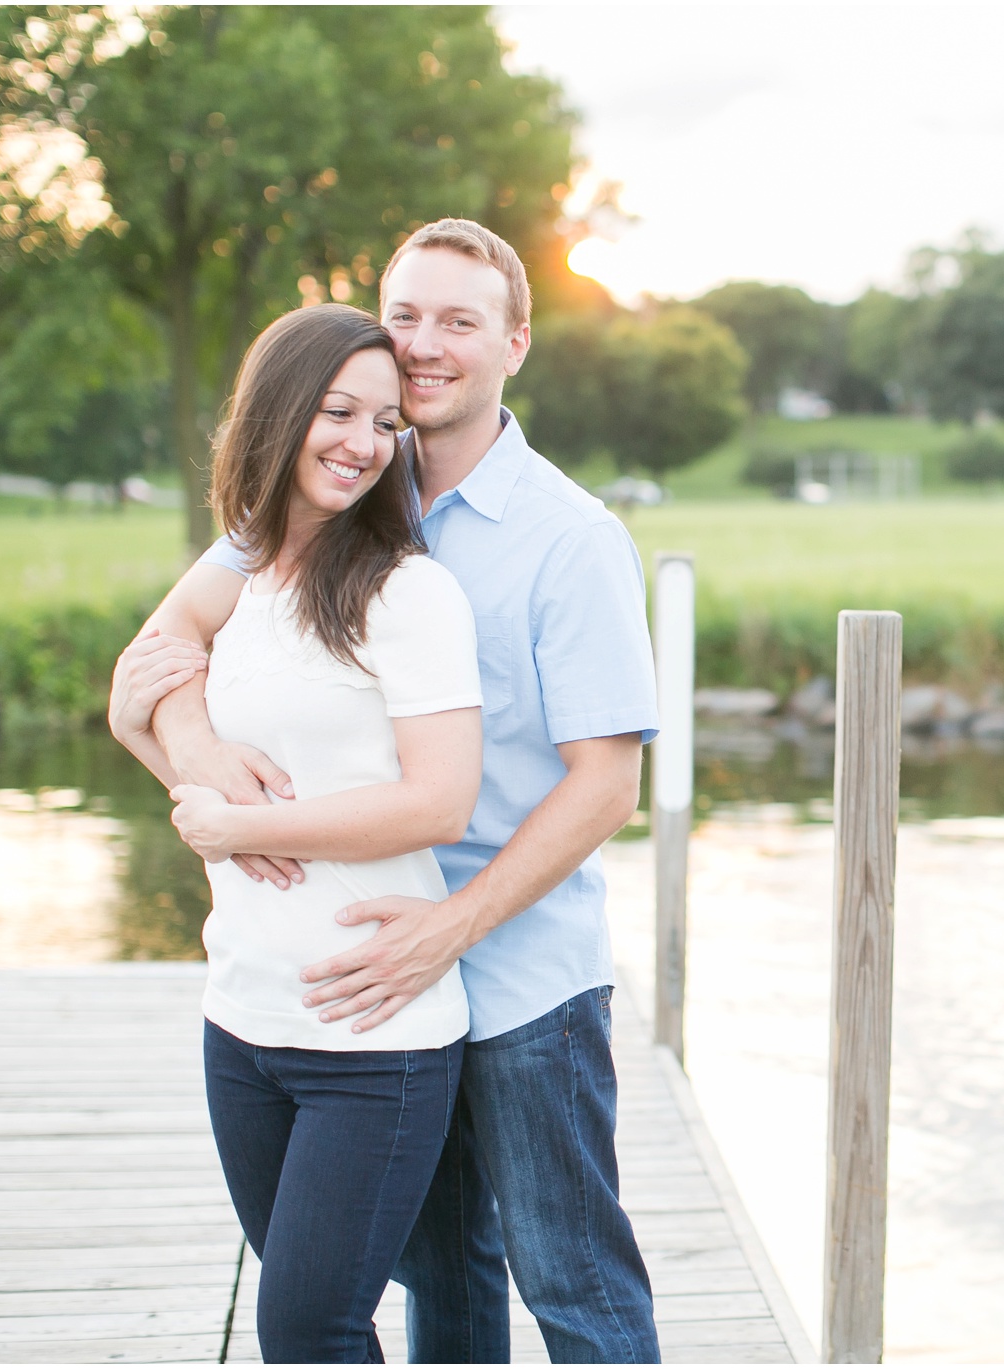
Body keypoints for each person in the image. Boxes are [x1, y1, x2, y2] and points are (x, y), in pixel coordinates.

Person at [113, 219, 662, 1363]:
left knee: (572, 1280)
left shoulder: (571, 541)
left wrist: (449, 927)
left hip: (517, 975)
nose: (424, 344)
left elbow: (607, 785)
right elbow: (164, 643)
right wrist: (209, 768)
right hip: (362, 982)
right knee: (441, 1279)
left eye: (459, 320)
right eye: (404, 314)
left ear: (514, 342)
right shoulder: (337, 482)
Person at [111, 303, 485, 1362]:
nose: (364, 443)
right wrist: (201, 761)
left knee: (306, 1328)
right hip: (240, 1020)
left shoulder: (408, 592)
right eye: (337, 411)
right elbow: (137, 682)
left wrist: (241, 822)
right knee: (310, 1328)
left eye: (384, 422)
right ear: (276, 411)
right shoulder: (241, 566)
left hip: (372, 1038)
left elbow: (439, 801)